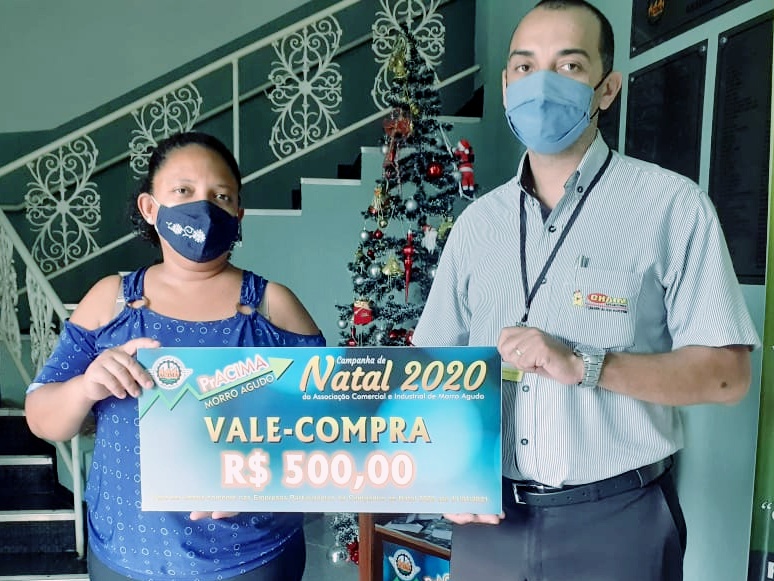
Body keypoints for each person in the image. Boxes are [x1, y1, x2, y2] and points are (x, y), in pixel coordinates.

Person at [411, 1, 760, 580]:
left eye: (569, 66)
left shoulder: (671, 206)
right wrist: (442, 470)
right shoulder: (477, 224)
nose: (541, 84)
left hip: (618, 524)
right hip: (489, 524)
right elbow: (432, 364)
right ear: (506, 86)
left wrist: (584, 364)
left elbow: (727, 376)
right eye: (525, 67)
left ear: (607, 88)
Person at [24, 131, 325, 581]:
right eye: (183, 190)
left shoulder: (273, 306)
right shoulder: (110, 301)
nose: (203, 207)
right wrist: (85, 386)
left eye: (221, 197)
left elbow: (329, 427)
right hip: (124, 555)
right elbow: (42, 418)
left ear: (238, 215)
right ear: (150, 208)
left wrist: (264, 476)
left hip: (252, 558)